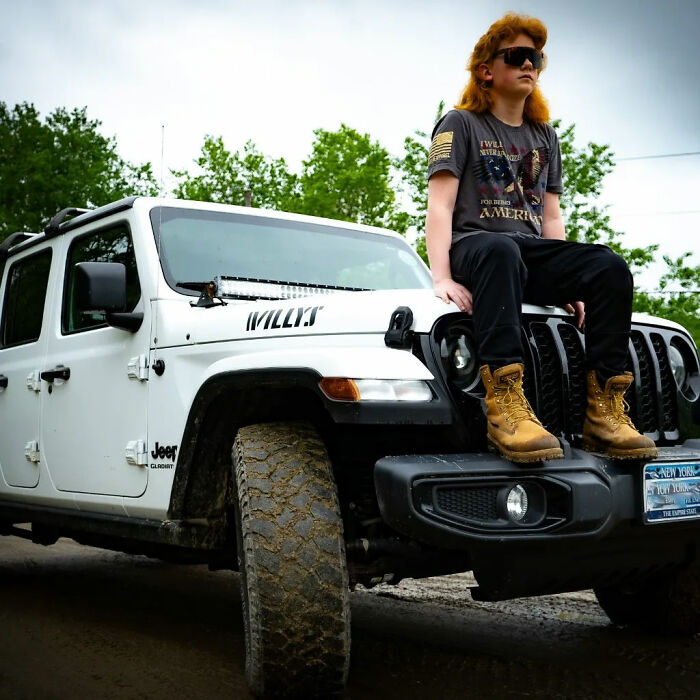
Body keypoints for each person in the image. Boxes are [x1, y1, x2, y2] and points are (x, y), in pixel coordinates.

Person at [425, 12, 657, 463]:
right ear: (487, 70)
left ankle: (604, 412)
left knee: (608, 265)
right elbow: (440, 206)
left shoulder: (545, 136)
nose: (529, 64)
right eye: (517, 56)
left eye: (536, 57)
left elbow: (550, 216)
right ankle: (506, 408)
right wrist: (441, 278)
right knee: (501, 248)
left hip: (525, 253)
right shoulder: (459, 123)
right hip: (476, 247)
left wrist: (570, 282)